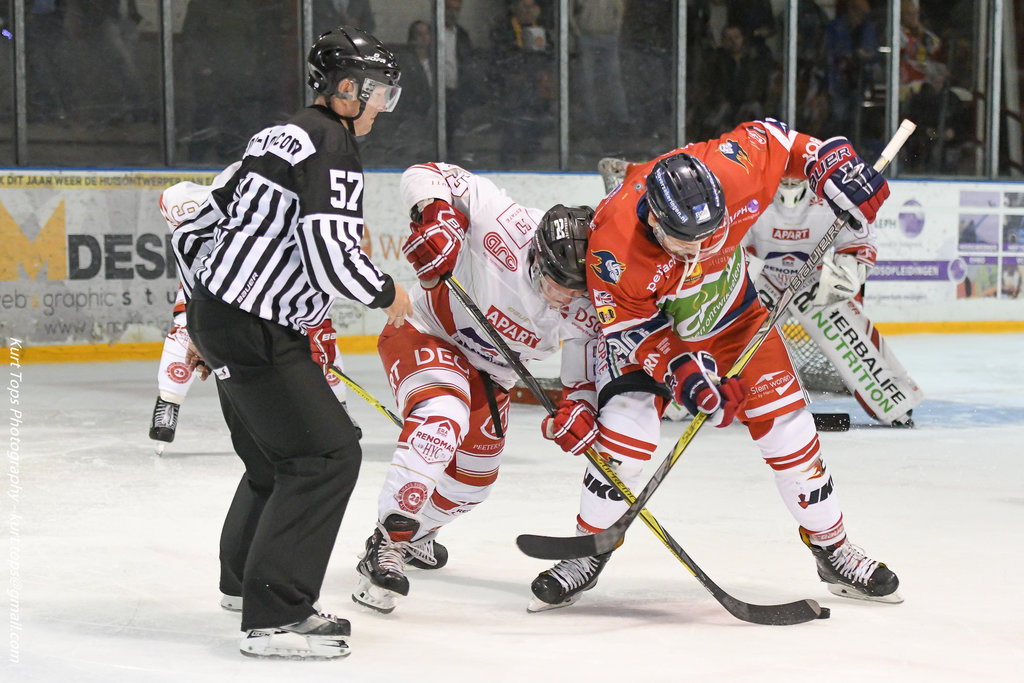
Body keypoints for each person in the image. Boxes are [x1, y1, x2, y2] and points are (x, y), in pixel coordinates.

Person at [530, 119, 902, 612]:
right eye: (687, 244)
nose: (702, 252)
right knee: (627, 438)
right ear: (655, 222)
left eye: (711, 237)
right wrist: (687, 379)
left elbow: (790, 144)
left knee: (791, 431)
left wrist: (833, 164)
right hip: (652, 331)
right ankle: (586, 552)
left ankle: (832, 548)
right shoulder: (612, 248)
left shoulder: (733, 167)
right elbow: (634, 336)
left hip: (733, 319)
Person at [170, 26, 411, 659]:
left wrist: (203, 317)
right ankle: (276, 616)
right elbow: (333, 261)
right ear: (348, 89)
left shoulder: (276, 135)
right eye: (380, 91)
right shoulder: (330, 143)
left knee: (274, 460)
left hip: (221, 316)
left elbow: (195, 221)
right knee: (325, 457)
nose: (384, 104)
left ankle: (242, 582)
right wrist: (389, 294)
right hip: (260, 326)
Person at [350, 161, 600, 614]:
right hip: (426, 331)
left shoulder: (593, 290)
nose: (564, 298)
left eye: (576, 289)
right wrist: (435, 214)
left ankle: (418, 535)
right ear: (537, 256)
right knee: (442, 418)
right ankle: (388, 543)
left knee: (472, 483)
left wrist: (579, 402)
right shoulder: (503, 218)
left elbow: (583, 354)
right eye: (557, 283)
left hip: (492, 373)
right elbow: (422, 173)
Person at [148, 165, 360, 453]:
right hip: (211, 284)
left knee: (319, 331)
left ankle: (338, 407)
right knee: (186, 327)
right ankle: (168, 401)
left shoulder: (290, 211)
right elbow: (187, 247)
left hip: (267, 289)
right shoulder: (190, 202)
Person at [742, 177, 924, 425]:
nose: (788, 179)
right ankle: (693, 397)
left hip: (813, 285)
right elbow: (730, 243)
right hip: (767, 283)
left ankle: (894, 402)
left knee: (847, 334)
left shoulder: (830, 201)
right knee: (736, 335)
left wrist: (850, 268)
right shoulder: (754, 197)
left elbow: (860, 240)